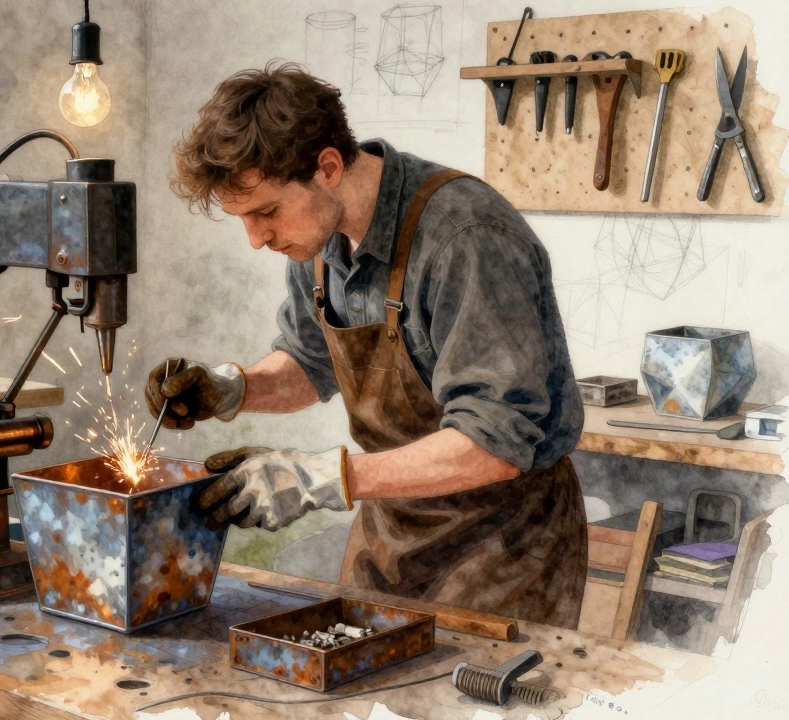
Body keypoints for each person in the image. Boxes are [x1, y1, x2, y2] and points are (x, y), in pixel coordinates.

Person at [147, 62, 587, 628]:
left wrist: (322, 478)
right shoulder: (317, 239)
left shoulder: (466, 238)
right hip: (390, 535)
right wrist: (232, 388)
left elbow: (494, 444)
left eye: (266, 212)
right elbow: (311, 364)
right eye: (244, 220)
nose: (256, 239)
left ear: (328, 167)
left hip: (504, 545)